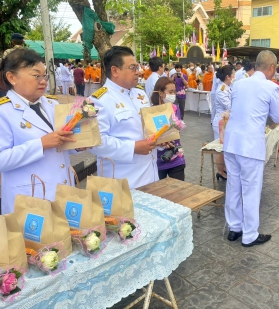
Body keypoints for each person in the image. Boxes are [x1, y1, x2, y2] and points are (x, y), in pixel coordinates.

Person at [0, 49, 77, 214]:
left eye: (45, 76)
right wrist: (41, 144)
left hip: (63, 190)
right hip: (30, 198)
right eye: (36, 76)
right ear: (11, 77)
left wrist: (78, 144)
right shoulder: (3, 112)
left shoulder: (52, 104)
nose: (43, 82)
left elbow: (60, 142)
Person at [224, 50, 279, 247]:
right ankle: (249, 234)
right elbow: (278, 117)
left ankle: (234, 228)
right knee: (251, 189)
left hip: (232, 142)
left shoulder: (238, 83)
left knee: (233, 186)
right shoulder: (270, 87)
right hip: (250, 145)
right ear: (272, 68)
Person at [88, 46, 158, 189]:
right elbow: (93, 142)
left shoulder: (140, 93)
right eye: (132, 67)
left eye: (137, 67)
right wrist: (132, 147)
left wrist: (160, 139)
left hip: (150, 173)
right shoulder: (94, 101)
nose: (138, 72)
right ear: (115, 71)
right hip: (123, 180)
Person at [151, 77, 186, 180]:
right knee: (158, 193)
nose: (173, 94)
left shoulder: (175, 108)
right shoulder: (151, 111)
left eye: (174, 91)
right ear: (161, 93)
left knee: (179, 190)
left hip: (176, 156)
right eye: (170, 91)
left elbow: (176, 129)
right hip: (158, 159)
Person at [212, 65, 234, 181]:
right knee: (220, 148)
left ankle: (224, 168)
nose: (234, 77)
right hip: (221, 122)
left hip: (227, 121)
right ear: (228, 77)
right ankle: (220, 171)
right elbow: (229, 106)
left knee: (225, 147)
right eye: (233, 75)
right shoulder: (221, 90)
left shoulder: (228, 87)